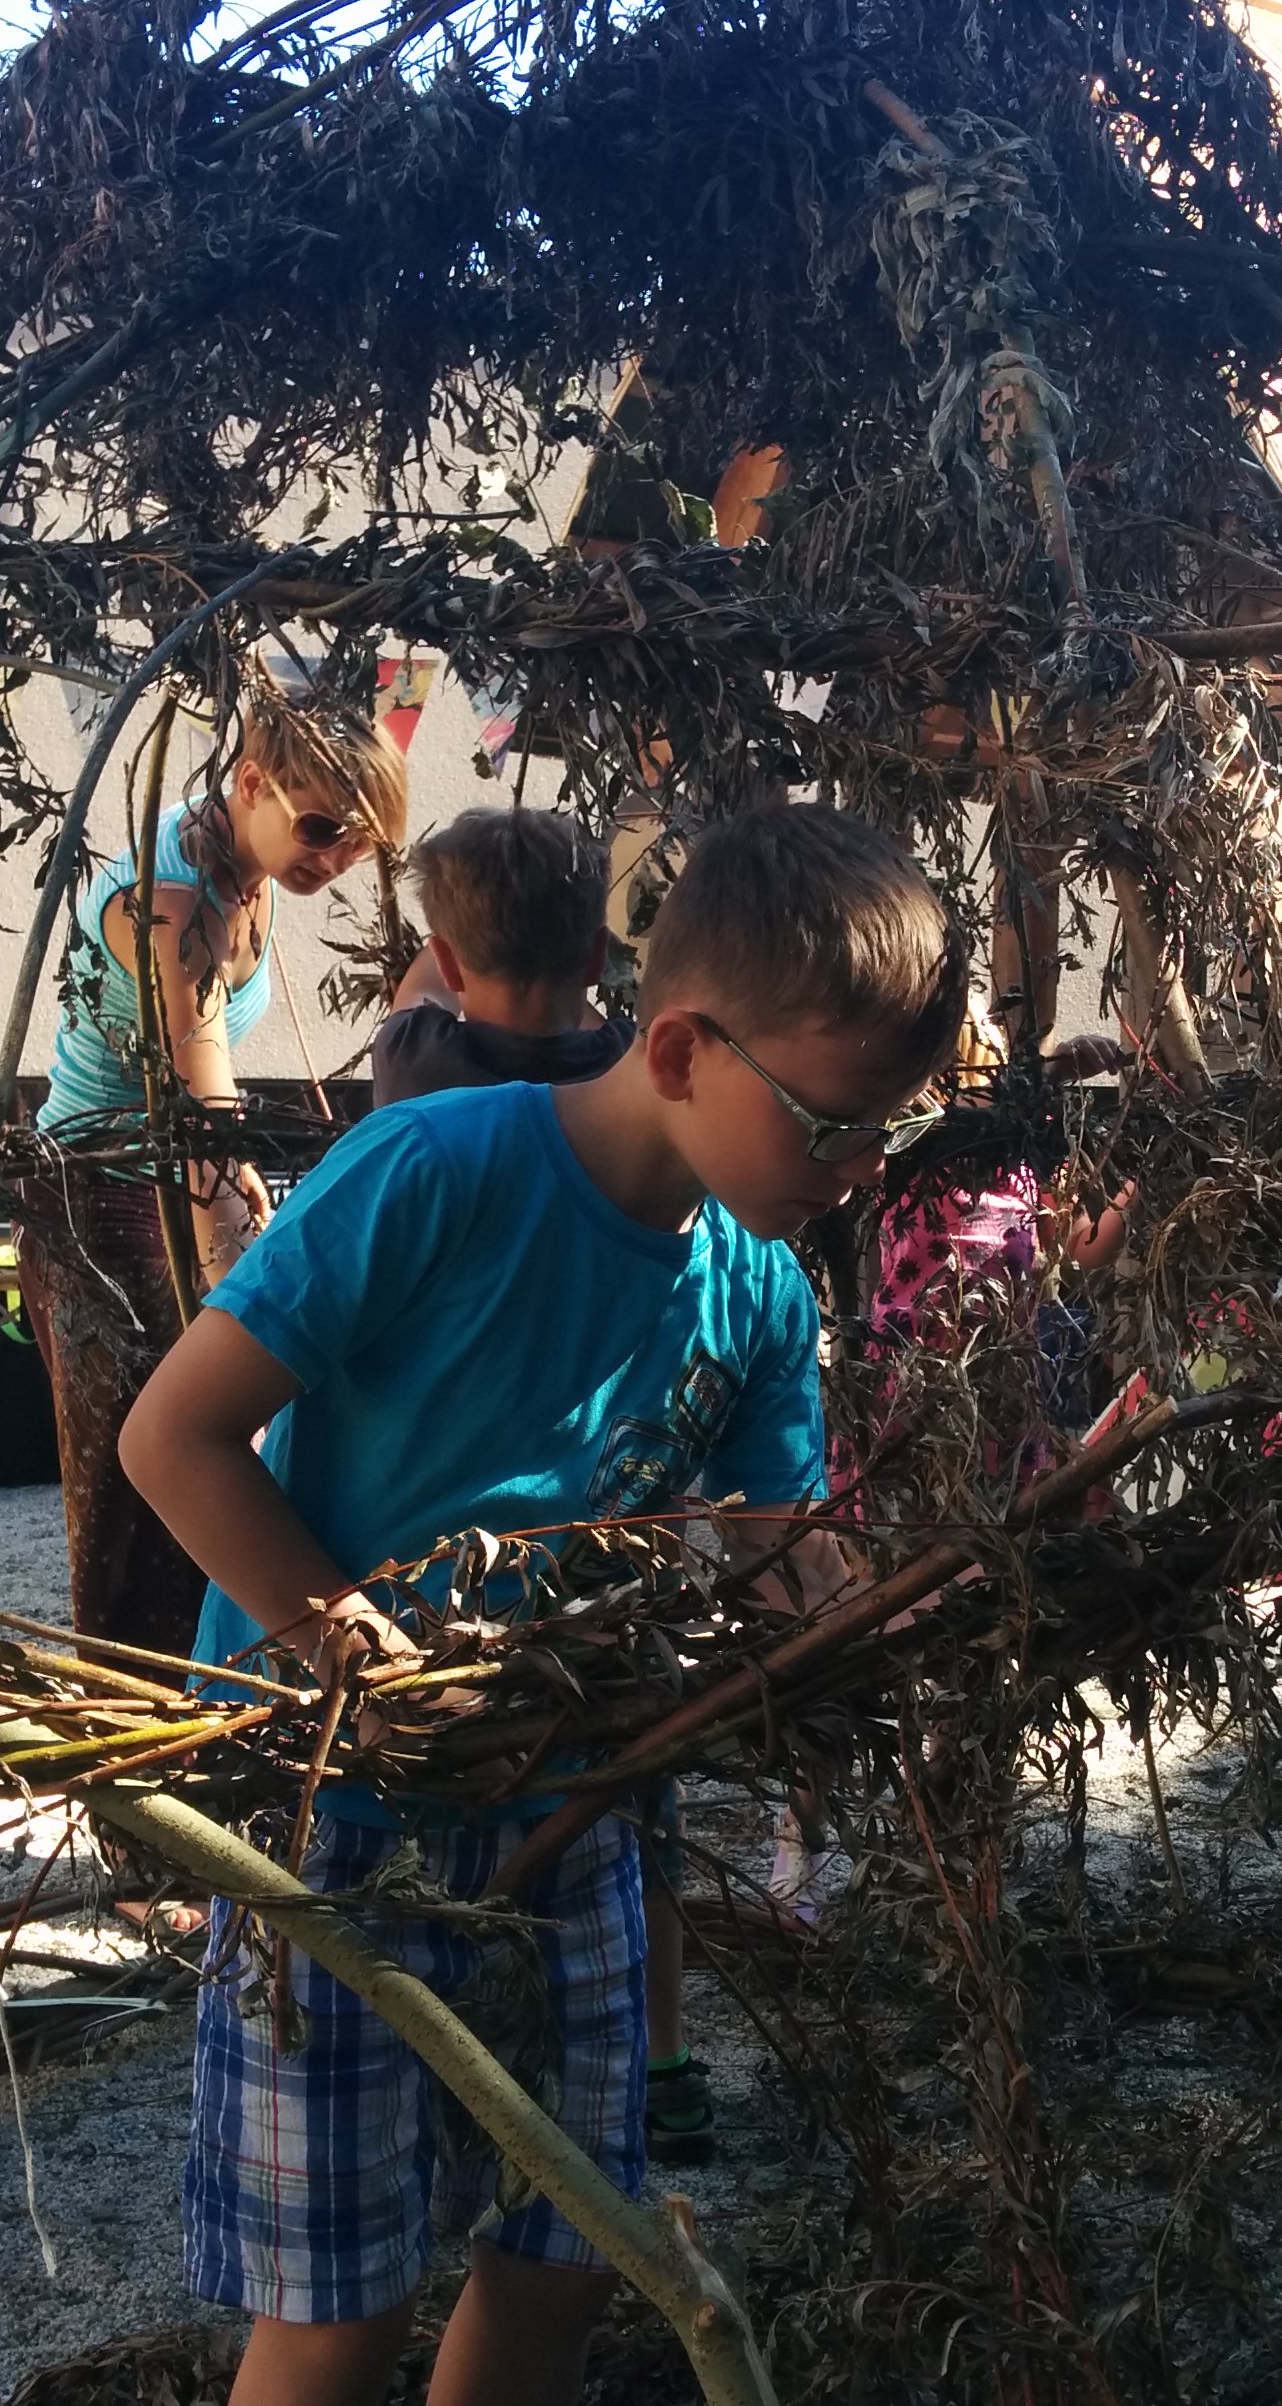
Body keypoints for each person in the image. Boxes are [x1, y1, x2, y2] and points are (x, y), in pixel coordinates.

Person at [121, 804, 961, 2406]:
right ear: (681, 1050)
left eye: (885, 1134)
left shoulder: (757, 1289)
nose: (860, 1175)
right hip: (337, 1817)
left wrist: (912, 1610)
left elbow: (783, 1549)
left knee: (570, 2254)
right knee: (339, 2307)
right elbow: (174, 1438)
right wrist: (360, 1660)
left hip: (576, 1815)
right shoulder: (434, 1173)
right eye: (833, 1124)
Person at [360, 807, 717, 2160]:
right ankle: (664, 2058)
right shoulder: (630, 1080)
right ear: (598, 954)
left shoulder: (415, 1073)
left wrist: (443, 958)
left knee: (434, 1848)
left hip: (435, 1548)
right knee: (630, 1799)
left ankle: (455, 2077)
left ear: (449, 955)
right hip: (595, 1538)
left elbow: (427, 988)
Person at [12, 689, 407, 1657]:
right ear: (252, 783)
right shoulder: (175, 903)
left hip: (166, 1172)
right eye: (322, 830)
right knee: (150, 1478)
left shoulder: (256, 863)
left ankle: (220, 1679)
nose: (335, 860)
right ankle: (139, 1705)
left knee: (204, 1456)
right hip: (98, 1196)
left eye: (358, 843)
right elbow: (203, 1119)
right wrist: (236, 1275)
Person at [368, 809, 630, 1106]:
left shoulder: (412, 1056)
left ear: (447, 964)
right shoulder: (632, 1065)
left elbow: (423, 986)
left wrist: (473, 919)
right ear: (598, 956)